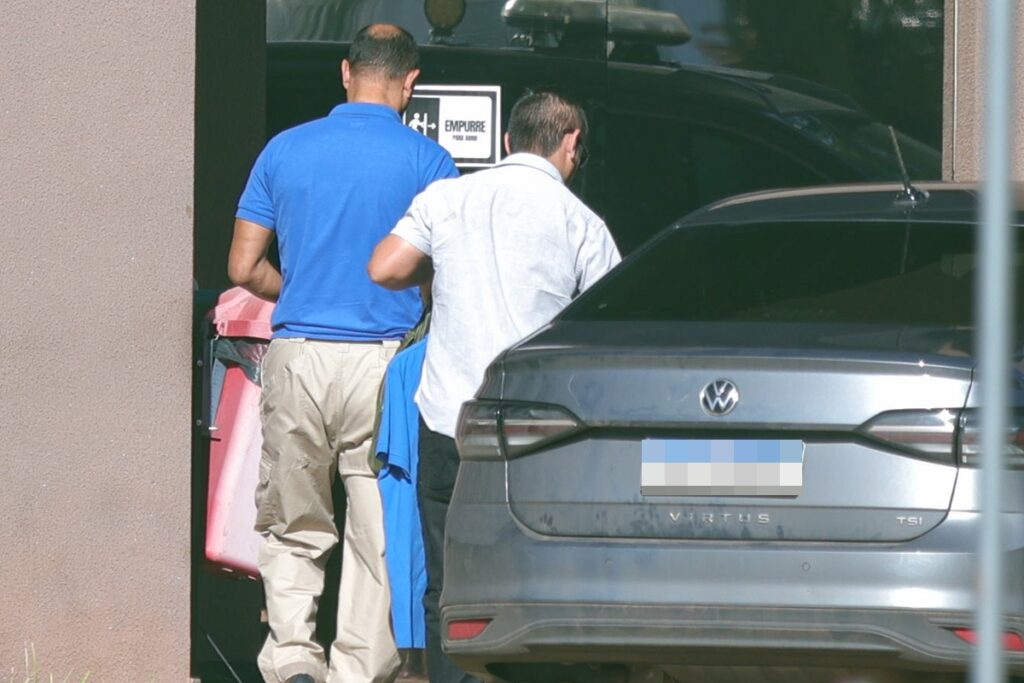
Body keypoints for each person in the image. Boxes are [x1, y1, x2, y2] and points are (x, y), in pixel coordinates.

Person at [227, 24, 458, 683]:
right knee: (378, 526)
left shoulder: (284, 150)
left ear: (344, 71)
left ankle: (294, 655)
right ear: (410, 82)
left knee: (293, 516)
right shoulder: (428, 162)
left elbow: (243, 265)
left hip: (298, 353)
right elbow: (445, 275)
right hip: (385, 364)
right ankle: (358, 670)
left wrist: (294, 288)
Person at [367, 90, 621, 683]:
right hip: (540, 434)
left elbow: (384, 267)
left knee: (447, 580)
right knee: (534, 577)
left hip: (448, 422)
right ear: (571, 144)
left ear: (507, 141)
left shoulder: (448, 198)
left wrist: (446, 269)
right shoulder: (579, 221)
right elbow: (609, 328)